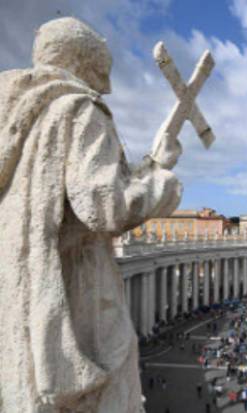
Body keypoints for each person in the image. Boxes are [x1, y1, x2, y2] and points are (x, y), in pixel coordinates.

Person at [0, 17, 182, 412]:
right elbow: (106, 206)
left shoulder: (16, 117)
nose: (109, 86)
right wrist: (164, 183)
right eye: (104, 71)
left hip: (20, 291)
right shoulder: (79, 109)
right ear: (84, 62)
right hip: (78, 285)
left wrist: (150, 163)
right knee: (112, 378)